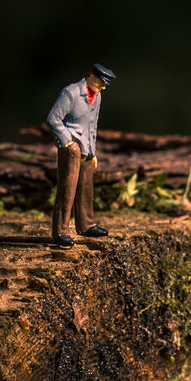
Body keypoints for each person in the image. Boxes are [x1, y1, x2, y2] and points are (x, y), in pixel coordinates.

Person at [46, 64, 116, 247]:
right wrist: (67, 141)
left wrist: (93, 151)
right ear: (91, 75)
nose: (103, 87)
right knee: (67, 187)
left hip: (86, 148)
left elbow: (93, 126)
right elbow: (53, 119)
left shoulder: (98, 96)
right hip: (71, 148)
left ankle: (86, 224)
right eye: (101, 82)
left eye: (105, 84)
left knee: (86, 187)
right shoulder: (71, 93)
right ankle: (60, 231)